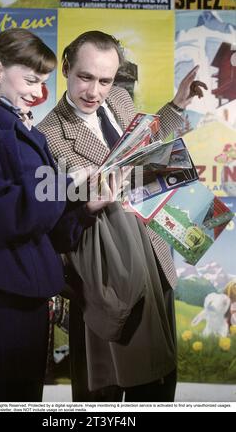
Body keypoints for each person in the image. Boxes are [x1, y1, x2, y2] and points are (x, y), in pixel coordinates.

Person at [0, 28, 117, 402]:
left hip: (33, 290)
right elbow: (0, 215)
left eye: (43, 83)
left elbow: (47, 228)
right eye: (31, 79)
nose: (37, 91)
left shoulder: (32, 134)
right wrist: (66, 183)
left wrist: (85, 208)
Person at [38, 30, 207, 402]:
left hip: (155, 252)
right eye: (85, 77)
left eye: (105, 80)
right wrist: (84, 198)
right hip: (107, 272)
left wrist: (176, 105)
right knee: (104, 386)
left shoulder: (117, 99)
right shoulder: (46, 135)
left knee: (160, 381)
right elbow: (52, 212)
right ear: (65, 68)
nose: (94, 91)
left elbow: (145, 144)